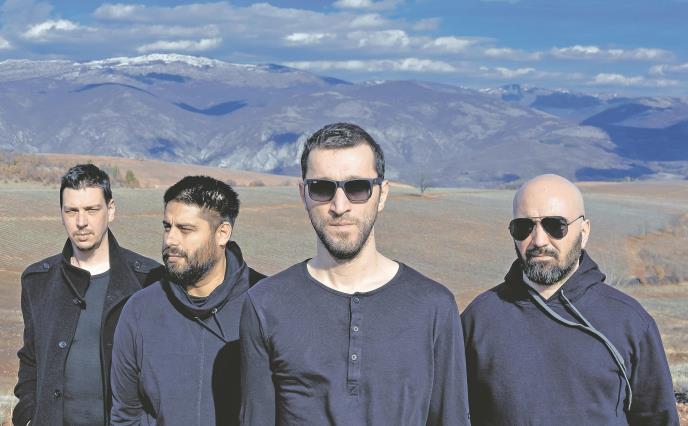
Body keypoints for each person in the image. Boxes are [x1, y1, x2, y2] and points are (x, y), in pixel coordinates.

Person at [240, 122, 470, 425]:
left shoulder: (434, 306)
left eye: (357, 188)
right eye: (321, 188)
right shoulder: (265, 304)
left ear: (382, 194)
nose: (339, 206)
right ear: (303, 194)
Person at [461, 174, 679, 425]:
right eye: (524, 227)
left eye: (555, 226)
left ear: (583, 232)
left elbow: (658, 419)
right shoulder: (479, 320)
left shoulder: (629, 321)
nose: (539, 240)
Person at [13, 164, 163, 426]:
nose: (81, 222)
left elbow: (163, 367)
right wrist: (27, 416)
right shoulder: (37, 281)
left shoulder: (149, 281)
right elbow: (31, 360)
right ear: (61, 214)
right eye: (71, 211)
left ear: (110, 210)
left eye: (92, 210)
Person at [110, 175, 264, 425]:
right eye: (167, 227)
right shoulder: (140, 310)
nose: (170, 240)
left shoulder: (264, 304)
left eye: (185, 229)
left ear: (222, 233)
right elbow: (126, 414)